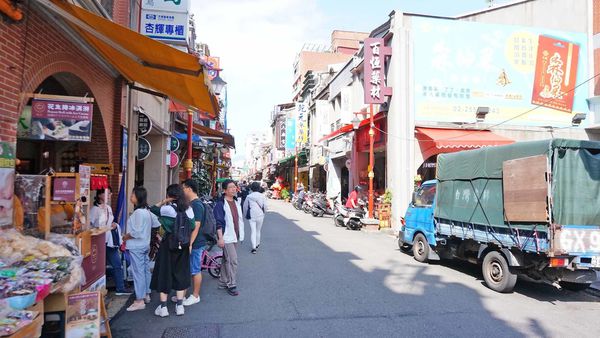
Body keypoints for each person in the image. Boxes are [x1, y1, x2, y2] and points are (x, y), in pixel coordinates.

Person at [150, 184, 195, 317]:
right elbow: (192, 225)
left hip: (168, 244)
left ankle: (163, 308)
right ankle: (179, 306)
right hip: (183, 244)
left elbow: (152, 209)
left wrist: (165, 201)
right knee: (181, 272)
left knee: (164, 272)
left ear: (170, 196)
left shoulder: (167, 209)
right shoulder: (189, 209)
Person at [123, 187, 160, 312]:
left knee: (138, 272)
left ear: (138, 197)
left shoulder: (139, 212)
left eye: (132, 194)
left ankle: (139, 300)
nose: (131, 197)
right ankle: (146, 294)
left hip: (136, 246)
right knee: (144, 270)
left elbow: (136, 232)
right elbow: (156, 224)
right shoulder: (147, 211)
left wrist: (125, 237)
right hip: (144, 244)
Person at [90, 188, 131, 296]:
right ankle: (101, 289)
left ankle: (120, 288)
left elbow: (109, 222)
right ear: (99, 195)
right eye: (107, 193)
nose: (109, 195)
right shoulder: (95, 209)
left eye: (110, 193)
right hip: (99, 241)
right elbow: (90, 225)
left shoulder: (108, 207)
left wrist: (113, 225)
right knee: (100, 266)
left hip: (109, 240)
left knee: (117, 264)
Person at [213, 179, 244, 296]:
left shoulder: (236, 202)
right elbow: (218, 222)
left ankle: (222, 281)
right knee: (233, 261)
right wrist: (220, 238)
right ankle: (231, 284)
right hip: (226, 237)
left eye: (234, 186)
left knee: (227, 259)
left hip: (235, 235)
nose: (234, 189)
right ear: (225, 190)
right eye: (230, 187)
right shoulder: (221, 204)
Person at [178, 179, 205, 306]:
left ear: (189, 189)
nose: (182, 191)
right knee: (189, 268)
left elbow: (197, 226)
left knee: (195, 269)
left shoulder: (197, 205)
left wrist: (190, 243)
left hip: (196, 242)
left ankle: (195, 295)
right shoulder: (192, 203)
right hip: (192, 242)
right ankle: (182, 295)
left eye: (183, 188)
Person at [243, 182, 267, 254]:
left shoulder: (249, 196)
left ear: (251, 188)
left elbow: (245, 207)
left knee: (253, 231)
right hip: (260, 215)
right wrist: (264, 212)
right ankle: (257, 244)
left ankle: (253, 248)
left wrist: (245, 215)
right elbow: (265, 206)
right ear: (259, 188)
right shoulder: (262, 196)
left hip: (252, 215)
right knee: (258, 230)